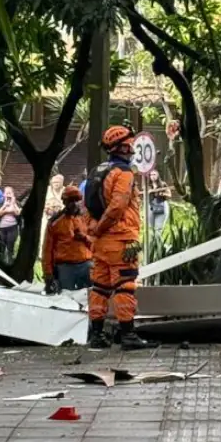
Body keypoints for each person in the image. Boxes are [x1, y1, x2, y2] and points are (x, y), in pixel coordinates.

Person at [87, 126, 147, 350]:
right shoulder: (124, 173)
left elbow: (87, 206)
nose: (132, 149)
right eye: (130, 145)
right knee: (125, 285)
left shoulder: (98, 171)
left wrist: (94, 229)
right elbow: (117, 206)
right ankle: (128, 335)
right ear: (122, 147)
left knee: (100, 287)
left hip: (100, 243)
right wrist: (102, 227)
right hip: (122, 239)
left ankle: (96, 335)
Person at [42, 186, 94, 293]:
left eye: (76, 200)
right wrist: (48, 273)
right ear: (64, 202)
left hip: (86, 264)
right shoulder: (55, 222)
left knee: (93, 295)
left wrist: (84, 238)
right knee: (65, 298)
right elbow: (47, 250)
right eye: (71, 201)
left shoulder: (86, 218)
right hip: (65, 267)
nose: (74, 204)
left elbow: (97, 242)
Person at [0, 187, 21, 265]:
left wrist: (13, 204)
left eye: (10, 193)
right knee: (1, 247)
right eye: (6, 193)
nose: (8, 194)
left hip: (12, 227)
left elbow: (18, 213)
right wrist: (5, 207)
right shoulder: (1, 203)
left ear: (13, 194)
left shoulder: (17, 203)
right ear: (4, 194)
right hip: (2, 228)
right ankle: (1, 264)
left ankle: (10, 264)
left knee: (10, 246)